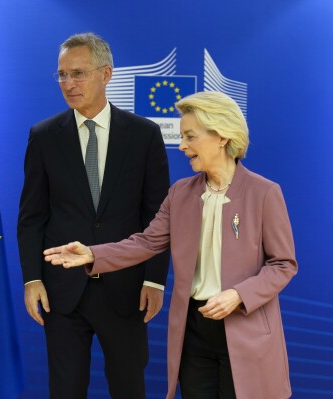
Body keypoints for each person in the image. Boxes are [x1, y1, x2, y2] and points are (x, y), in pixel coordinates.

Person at [44, 91, 298, 399]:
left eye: (190, 137)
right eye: (181, 137)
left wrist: (238, 294)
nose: (182, 146)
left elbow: (283, 264)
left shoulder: (265, 193)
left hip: (246, 330)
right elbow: (146, 242)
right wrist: (92, 253)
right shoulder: (180, 194)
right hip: (194, 333)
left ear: (221, 136)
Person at [17, 32, 170, 398]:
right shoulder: (44, 136)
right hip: (63, 292)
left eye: (78, 73)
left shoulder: (144, 135)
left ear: (106, 74)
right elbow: (32, 216)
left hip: (126, 288)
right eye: (62, 75)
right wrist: (31, 279)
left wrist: (154, 280)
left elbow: (158, 217)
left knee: (128, 388)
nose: (68, 84)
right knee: (66, 390)